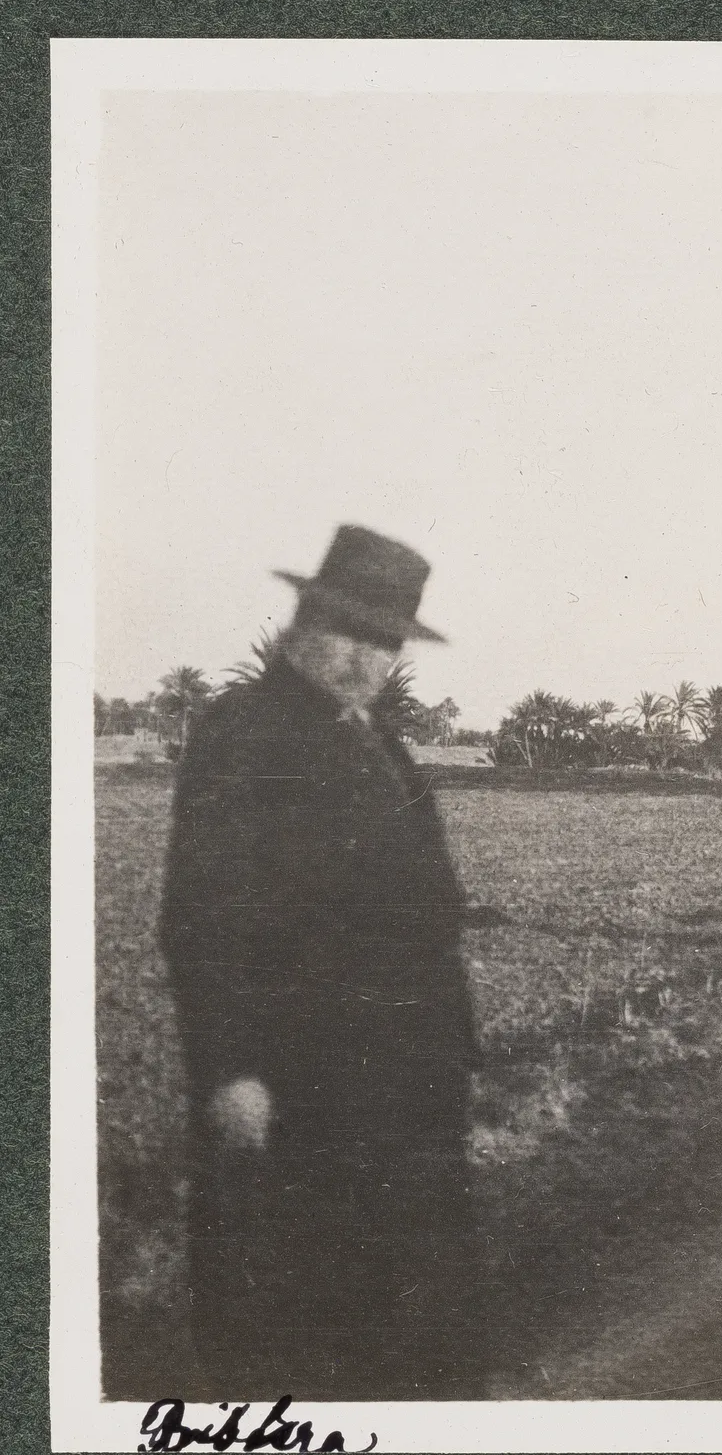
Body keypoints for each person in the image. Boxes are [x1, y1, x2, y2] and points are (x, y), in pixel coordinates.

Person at [158, 525, 484, 1399]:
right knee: (304, 1323)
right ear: (303, 622)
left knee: (409, 1315)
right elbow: (202, 917)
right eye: (348, 631)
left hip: (406, 1085)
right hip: (306, 1083)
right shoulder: (247, 732)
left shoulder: (381, 743)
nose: (365, 658)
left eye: (385, 641)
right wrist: (231, 1069)